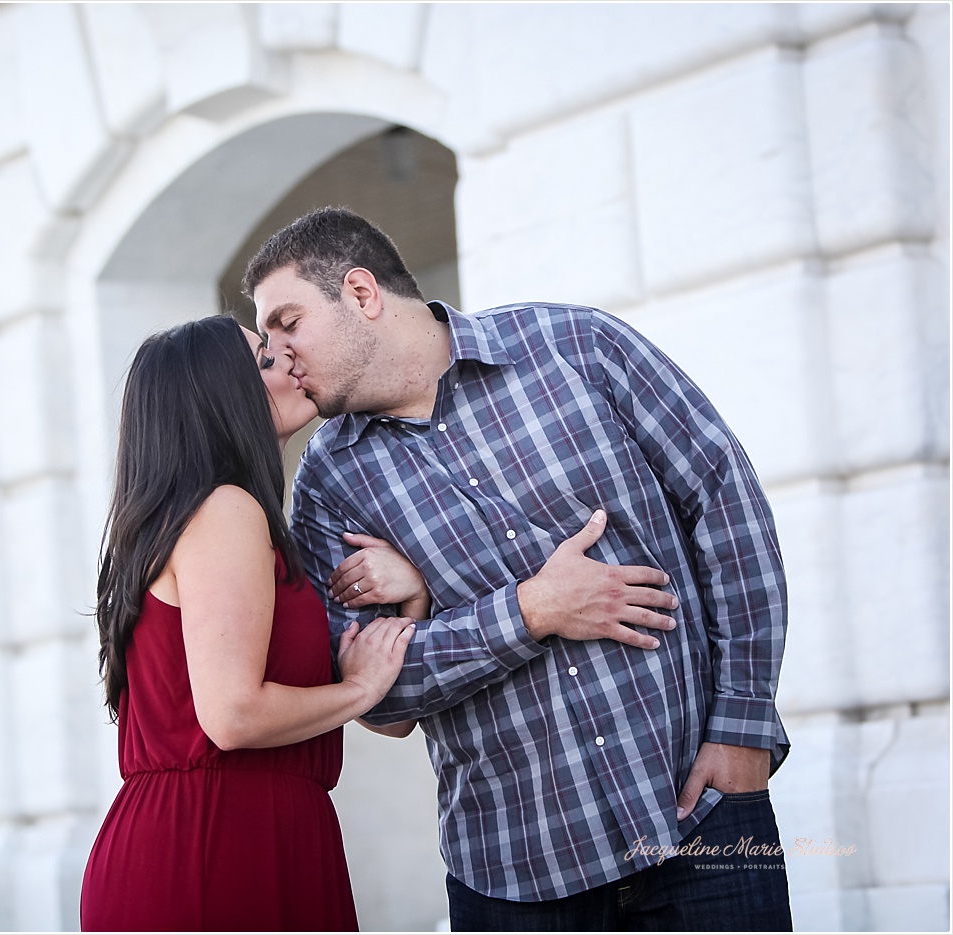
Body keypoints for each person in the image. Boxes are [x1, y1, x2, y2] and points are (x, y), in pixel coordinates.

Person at [247, 207, 792, 931]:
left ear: (361, 293)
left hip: (701, 822)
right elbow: (373, 693)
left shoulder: (577, 347)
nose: (280, 357)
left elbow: (728, 508)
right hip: (514, 878)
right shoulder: (327, 485)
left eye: (289, 322)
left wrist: (743, 726)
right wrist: (529, 610)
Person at [79, 313, 419, 931]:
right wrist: (358, 689)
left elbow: (391, 721)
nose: (289, 360)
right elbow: (233, 715)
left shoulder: (227, 521)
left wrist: (413, 593)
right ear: (220, 399)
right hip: (213, 845)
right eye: (264, 359)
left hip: (242, 831)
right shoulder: (225, 512)